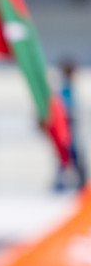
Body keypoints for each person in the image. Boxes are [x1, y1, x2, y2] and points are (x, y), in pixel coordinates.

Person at [55, 58, 87, 191]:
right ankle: (61, 187)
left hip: (72, 128)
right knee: (69, 157)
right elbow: (63, 107)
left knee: (74, 158)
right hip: (67, 128)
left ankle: (80, 186)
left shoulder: (70, 87)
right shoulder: (63, 87)